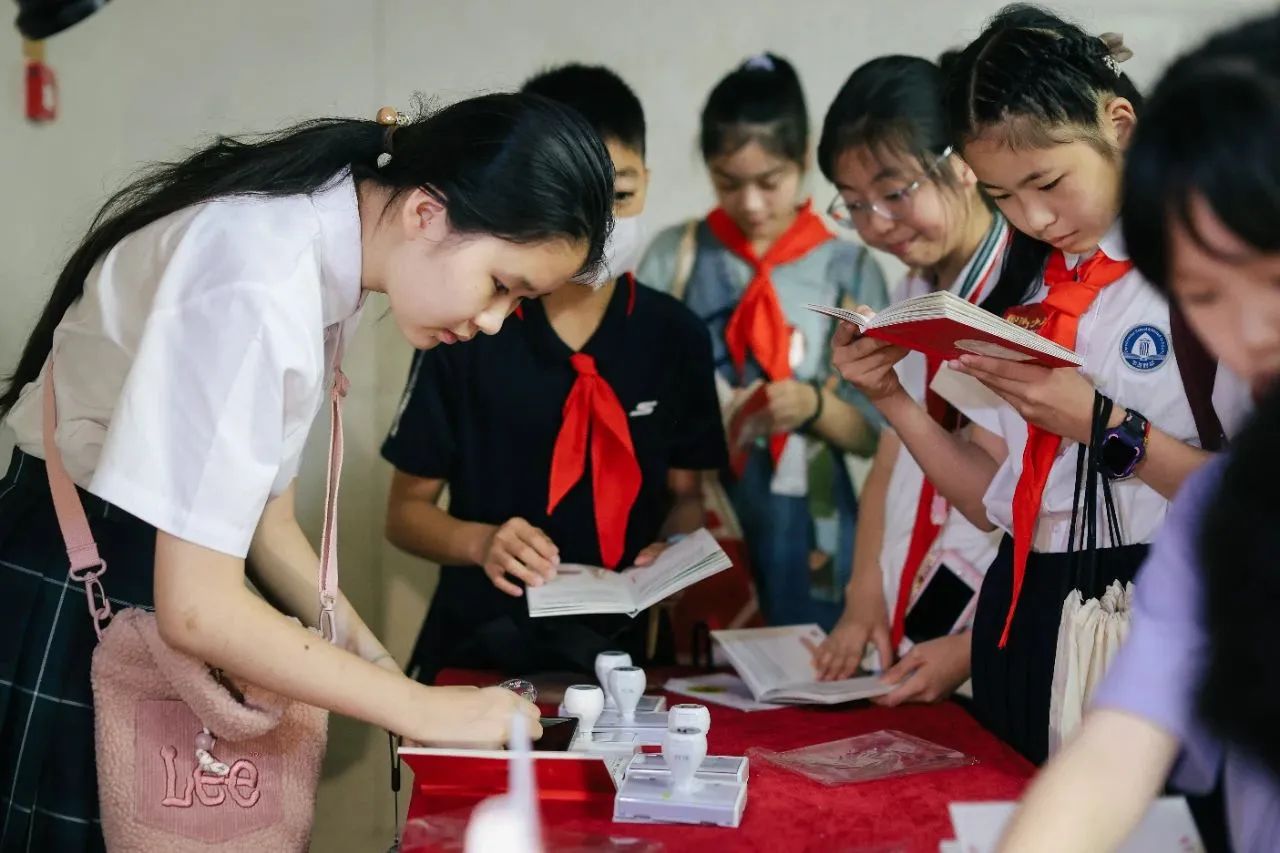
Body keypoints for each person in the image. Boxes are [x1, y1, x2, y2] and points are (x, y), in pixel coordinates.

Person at [0, 93, 614, 850]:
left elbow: (270, 529)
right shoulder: (258, 274)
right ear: (428, 213)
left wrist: (403, 687)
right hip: (75, 582)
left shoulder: (321, 253)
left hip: (122, 573)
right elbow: (197, 606)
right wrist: (416, 707)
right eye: (502, 284)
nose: (493, 321)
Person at [832, 4, 1250, 764]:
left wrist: (1101, 425)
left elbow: (1249, 506)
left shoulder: (1209, 274)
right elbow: (993, 495)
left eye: (1047, 182)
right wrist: (890, 399)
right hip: (1022, 611)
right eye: (1000, 196)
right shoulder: (1024, 289)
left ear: (1119, 124)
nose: (1032, 216)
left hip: (1154, 605)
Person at [994, 12, 1280, 851]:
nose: (1253, 332)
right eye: (1204, 294)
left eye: (1272, 272)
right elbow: (1115, 752)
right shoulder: (1227, 515)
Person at [382, 64, 727, 682]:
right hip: (481, 652)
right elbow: (405, 512)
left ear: (647, 180)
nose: (599, 227)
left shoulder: (675, 336)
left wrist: (672, 556)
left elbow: (687, 496)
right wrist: (481, 543)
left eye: (620, 197)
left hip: (626, 660)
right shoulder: (468, 324)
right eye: (578, 204)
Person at [638, 52, 887, 630]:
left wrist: (815, 405)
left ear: (804, 159)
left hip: (814, 524)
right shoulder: (675, 258)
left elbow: (880, 434)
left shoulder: (846, 270)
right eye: (729, 183)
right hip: (696, 509)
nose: (750, 204)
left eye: (769, 183)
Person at [809, 54, 1012, 706]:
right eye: (854, 204)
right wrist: (863, 585)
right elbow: (893, 456)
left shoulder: (1021, 297)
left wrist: (975, 645)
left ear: (962, 165)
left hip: (997, 623)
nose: (875, 225)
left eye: (894, 193)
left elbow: (1006, 501)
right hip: (923, 611)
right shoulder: (914, 288)